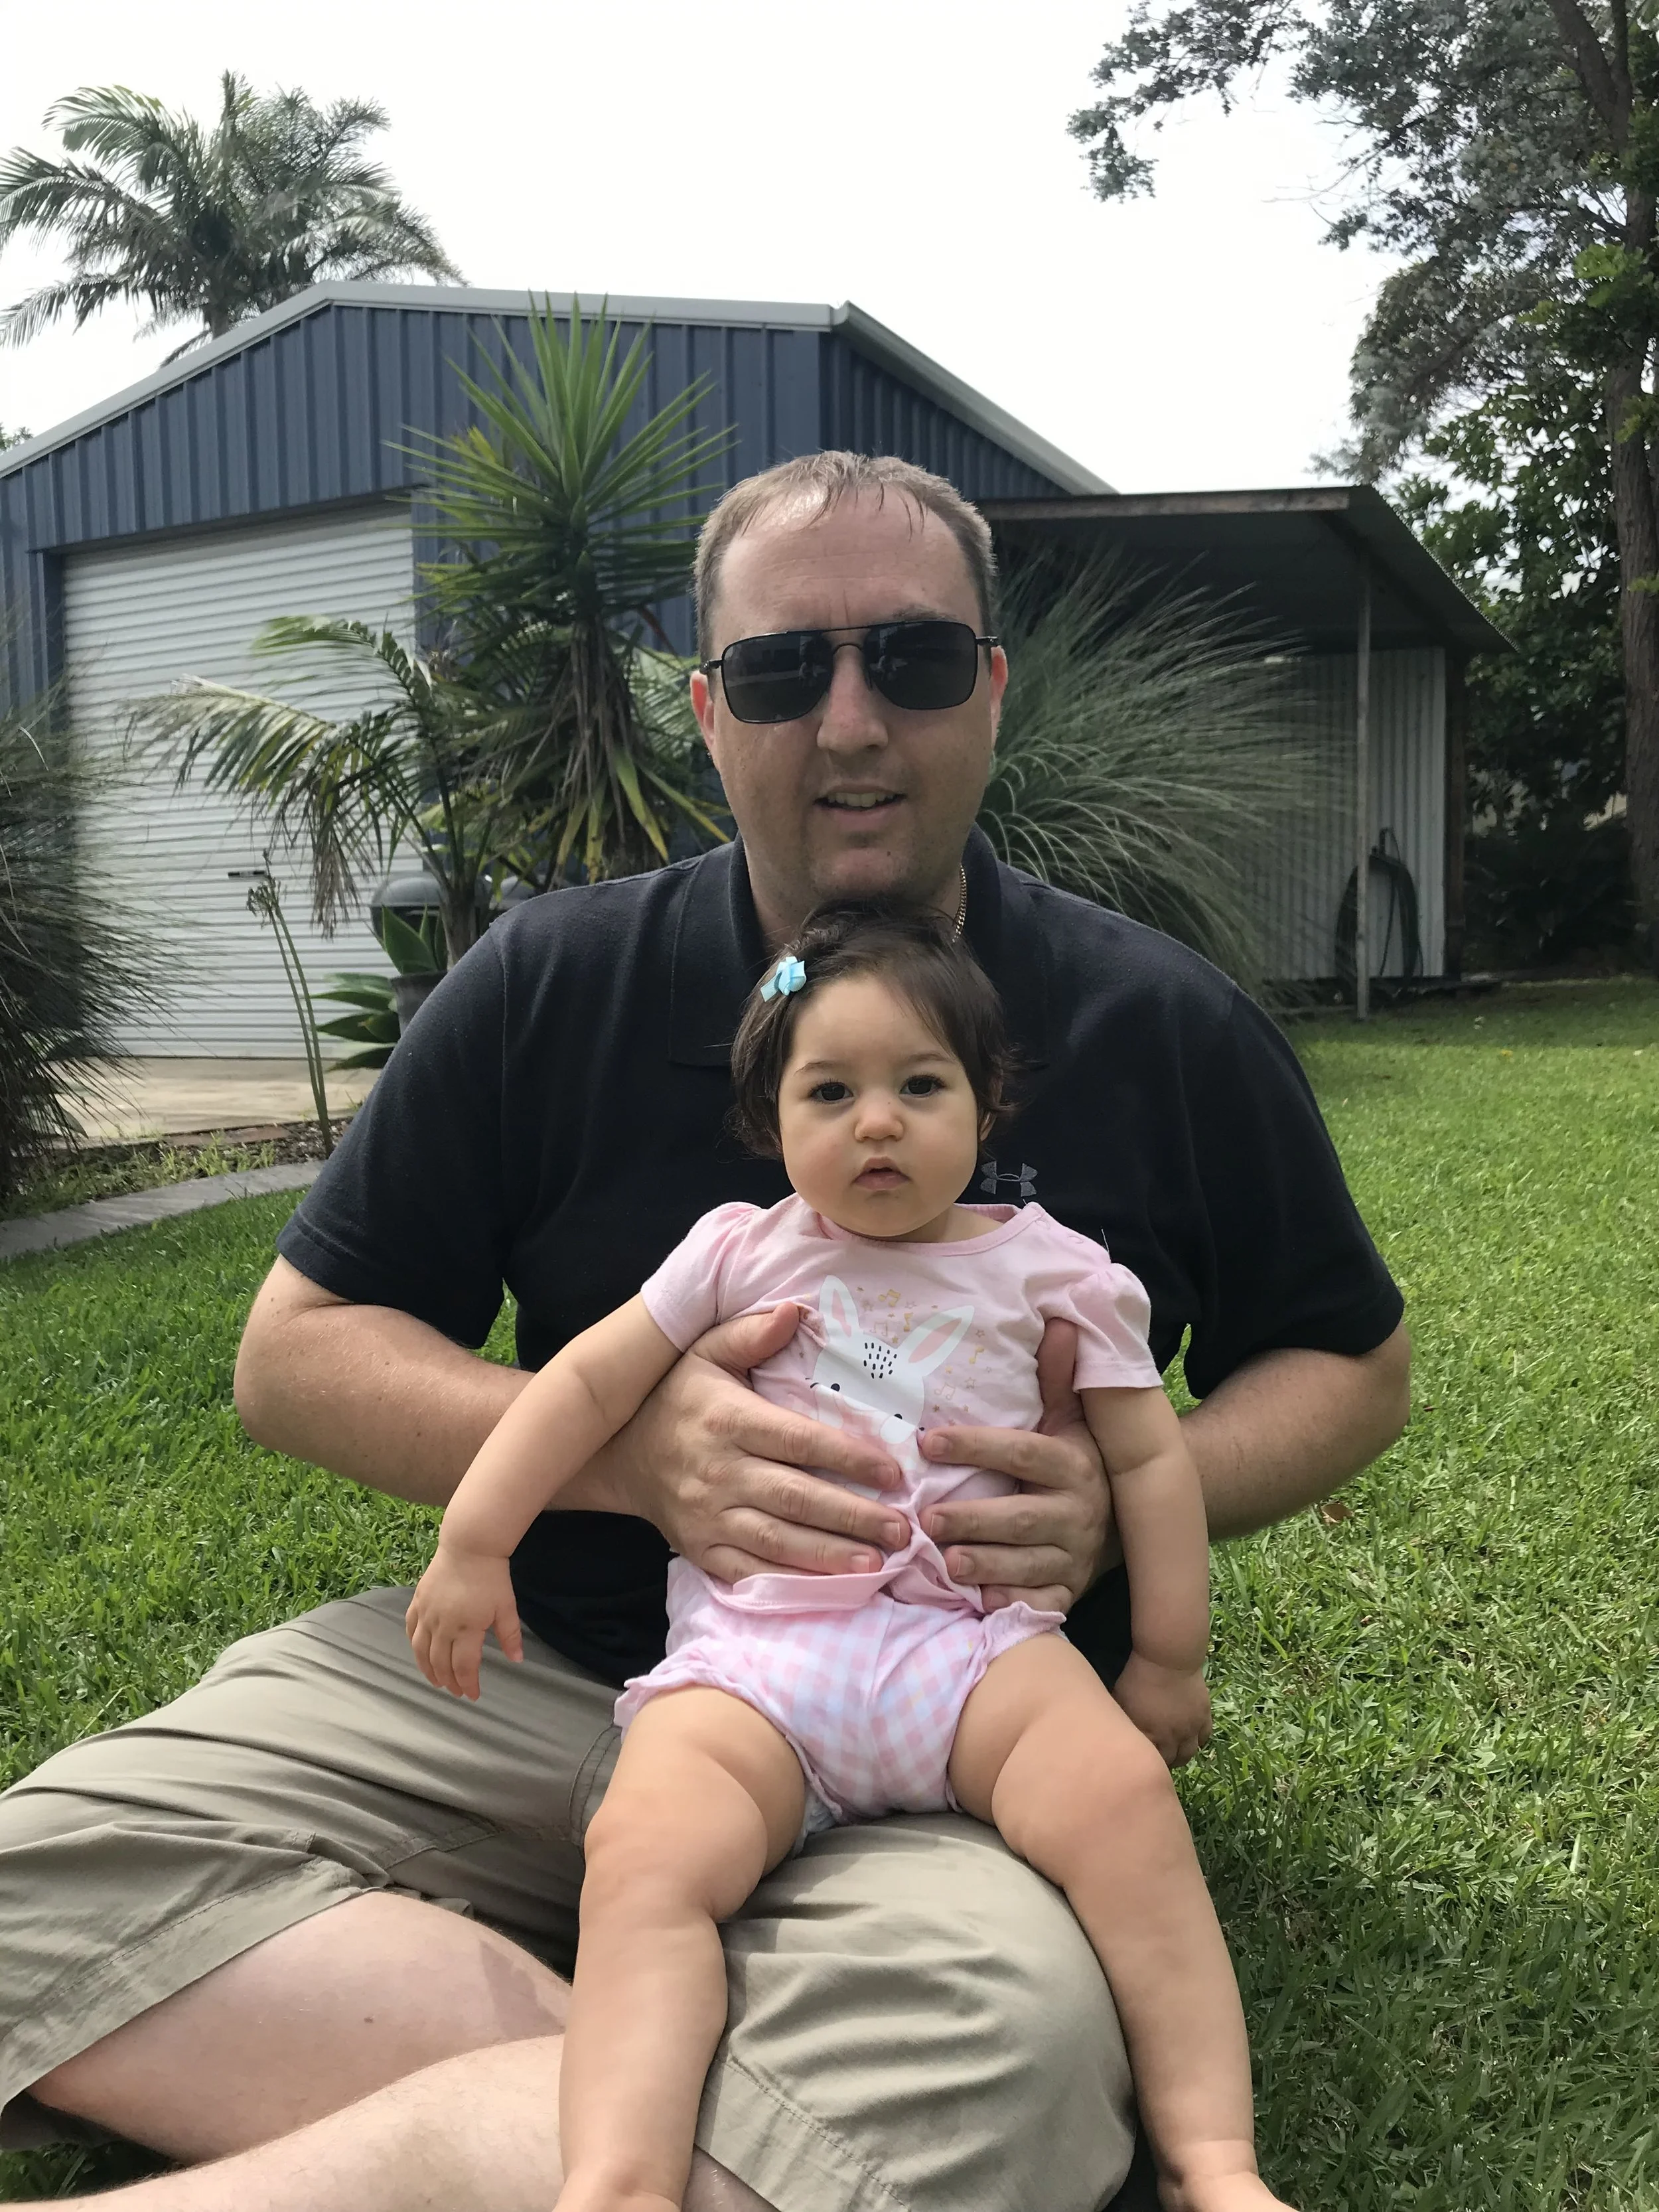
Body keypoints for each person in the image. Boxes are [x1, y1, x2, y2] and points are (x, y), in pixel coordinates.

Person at [0, 451, 1409, 2212]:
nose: (845, 723)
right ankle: (639, 2088)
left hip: (934, 1734)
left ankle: (534, 2121)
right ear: (704, 711)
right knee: (29, 1876)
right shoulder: (549, 981)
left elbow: (1350, 1359)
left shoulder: (1158, 1022)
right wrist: (631, 1458)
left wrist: (1142, 1489)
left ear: (985, 684)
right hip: (528, 1668)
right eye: (777, 671)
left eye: (905, 660)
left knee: (1001, 2055)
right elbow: (294, 1352)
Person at [407, 899, 1292, 2212]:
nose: (876, 1119)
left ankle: (1213, 2164)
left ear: (986, 1106)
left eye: (917, 1083)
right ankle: (619, 2179)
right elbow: (583, 1385)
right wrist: (476, 1536)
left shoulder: (1057, 1274)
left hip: (973, 1652)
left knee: (1120, 1809)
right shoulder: (735, 1251)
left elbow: (1150, 1463)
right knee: (647, 1858)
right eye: (831, 1089)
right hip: (756, 1663)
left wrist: (1164, 1653)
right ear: (772, 1122)